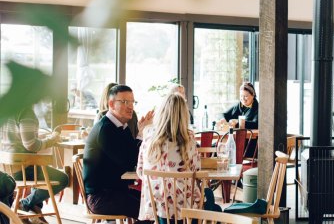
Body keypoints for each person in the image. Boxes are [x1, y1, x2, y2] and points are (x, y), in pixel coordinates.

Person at [83, 84, 152, 223]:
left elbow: (133, 156)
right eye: (125, 102)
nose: (130, 106)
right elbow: (128, 162)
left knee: (154, 201)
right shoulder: (105, 129)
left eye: (132, 102)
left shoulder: (121, 126)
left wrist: (140, 132)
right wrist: (140, 134)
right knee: (150, 209)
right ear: (111, 104)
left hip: (115, 191)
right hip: (100, 197)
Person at [137, 92, 201, 223]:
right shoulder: (189, 138)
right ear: (184, 115)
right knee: (210, 200)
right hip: (185, 209)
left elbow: (140, 171)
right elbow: (197, 171)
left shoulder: (149, 137)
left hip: (158, 208)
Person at [0, 107, 68, 220]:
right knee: (63, 179)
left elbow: (21, 139)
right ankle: (25, 204)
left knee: (40, 175)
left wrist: (43, 138)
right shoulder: (25, 112)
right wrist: (53, 139)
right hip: (22, 167)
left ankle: (33, 209)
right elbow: (31, 145)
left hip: (7, 168)